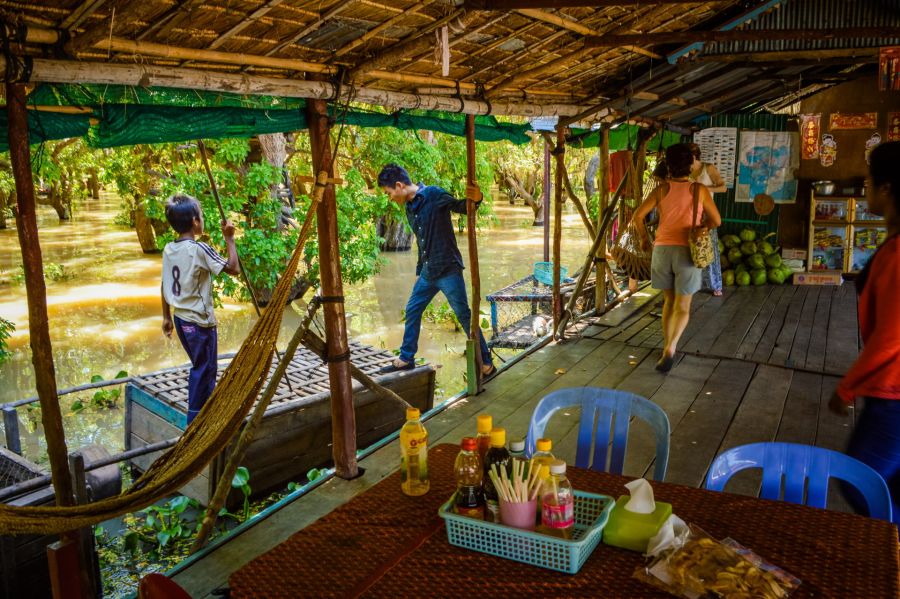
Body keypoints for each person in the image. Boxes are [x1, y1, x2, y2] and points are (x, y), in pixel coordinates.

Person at [830, 141, 900, 521]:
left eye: (870, 181)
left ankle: (887, 554)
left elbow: (892, 336)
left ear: (887, 188)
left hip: (894, 393)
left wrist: (846, 387)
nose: (865, 189)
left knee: (861, 482)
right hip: (889, 389)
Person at [376, 164, 495, 378]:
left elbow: (463, 207)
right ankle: (406, 359)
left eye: (389, 192)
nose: (390, 197)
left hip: (448, 269)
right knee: (412, 309)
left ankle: (486, 362)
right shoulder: (409, 208)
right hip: (429, 272)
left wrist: (477, 198)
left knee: (464, 315)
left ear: (399, 185)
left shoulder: (434, 194)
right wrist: (419, 272)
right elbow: (422, 244)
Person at [633, 144, 721, 373]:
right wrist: (703, 229)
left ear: (669, 166)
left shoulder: (661, 190)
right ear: (691, 165)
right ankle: (671, 348)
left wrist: (644, 238)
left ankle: (665, 346)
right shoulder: (699, 190)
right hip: (687, 252)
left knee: (668, 303)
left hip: (662, 251)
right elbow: (716, 221)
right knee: (683, 307)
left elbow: (638, 216)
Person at [161, 194, 239, 424]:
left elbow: (164, 284)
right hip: (199, 323)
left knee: (201, 368)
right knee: (205, 370)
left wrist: (166, 317)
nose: (202, 219)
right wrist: (230, 239)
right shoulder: (199, 250)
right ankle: (195, 422)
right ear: (195, 222)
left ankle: (203, 411)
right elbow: (233, 269)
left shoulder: (169, 249)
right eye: (201, 216)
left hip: (180, 320)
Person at [688, 143, 727, 296]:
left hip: (706, 214)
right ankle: (692, 283)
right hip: (689, 213)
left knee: (709, 248)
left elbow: (723, 187)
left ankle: (715, 284)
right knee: (691, 248)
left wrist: (704, 189)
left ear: (693, 156)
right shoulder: (685, 170)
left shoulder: (708, 168)